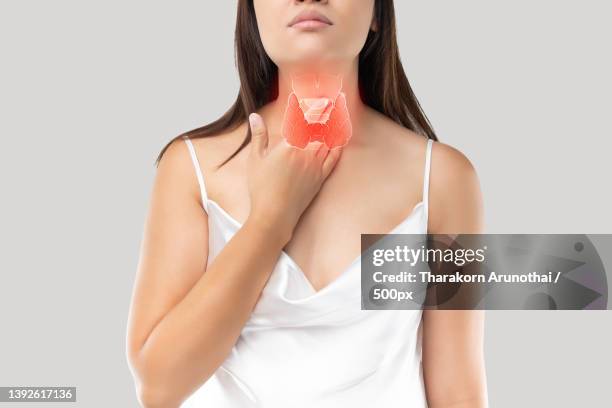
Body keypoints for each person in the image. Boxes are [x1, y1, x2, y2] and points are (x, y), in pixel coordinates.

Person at [126, 1, 487, 407]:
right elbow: (159, 387)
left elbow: (459, 394)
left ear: (377, 16)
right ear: (252, 15)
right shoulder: (192, 168)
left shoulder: (441, 179)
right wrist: (269, 222)